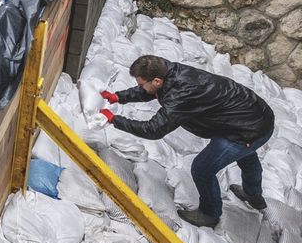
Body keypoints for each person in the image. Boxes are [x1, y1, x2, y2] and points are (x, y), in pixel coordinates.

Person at [98, 54, 274, 228]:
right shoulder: (169, 71)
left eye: (141, 84)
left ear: (157, 81)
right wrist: (119, 97)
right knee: (247, 157)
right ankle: (254, 196)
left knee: (202, 168)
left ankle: (209, 214)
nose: (140, 87)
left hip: (249, 129)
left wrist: (114, 120)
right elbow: (148, 91)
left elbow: (154, 129)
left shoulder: (180, 94)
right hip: (253, 114)